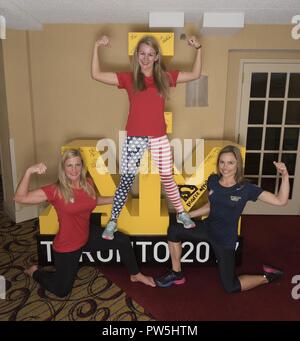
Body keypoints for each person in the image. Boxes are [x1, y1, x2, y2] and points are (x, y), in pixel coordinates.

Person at [91, 34, 202, 240]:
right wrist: (97, 46)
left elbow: (195, 74)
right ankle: (113, 221)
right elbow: (96, 74)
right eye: (142, 53)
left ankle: (181, 214)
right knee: (126, 180)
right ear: (137, 55)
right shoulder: (128, 78)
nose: (146, 57)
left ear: (157, 57)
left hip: (158, 137)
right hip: (134, 137)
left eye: (150, 54)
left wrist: (199, 48)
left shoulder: (165, 78)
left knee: (167, 177)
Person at [14, 149, 156, 298]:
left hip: (87, 235)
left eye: (77, 164)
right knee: (62, 290)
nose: (74, 170)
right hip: (68, 246)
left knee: (122, 239)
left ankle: (135, 274)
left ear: (82, 166)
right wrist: (29, 171)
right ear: (63, 168)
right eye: (69, 165)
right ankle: (35, 271)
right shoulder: (55, 190)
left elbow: (90, 202)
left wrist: (113, 199)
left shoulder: (88, 183)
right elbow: (20, 198)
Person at [155, 145, 289, 293]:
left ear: (238, 164)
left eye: (230, 162)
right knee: (174, 230)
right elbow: (212, 205)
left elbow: (280, 201)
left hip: (224, 240)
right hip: (207, 228)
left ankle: (268, 276)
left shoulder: (246, 188)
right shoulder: (213, 180)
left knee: (230, 287)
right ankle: (177, 274)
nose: (225, 167)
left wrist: (285, 175)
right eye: (222, 162)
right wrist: (189, 215)